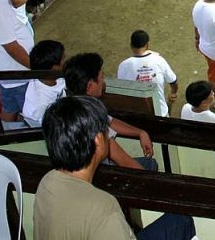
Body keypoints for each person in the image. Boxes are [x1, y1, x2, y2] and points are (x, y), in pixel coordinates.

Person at [34, 96, 196, 239]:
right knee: (181, 220)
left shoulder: (47, 181)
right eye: (106, 130)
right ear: (98, 140)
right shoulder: (103, 207)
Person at [64, 52, 159, 171]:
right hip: (102, 173)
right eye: (101, 77)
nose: (103, 82)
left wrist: (140, 132)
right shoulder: (91, 120)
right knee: (150, 165)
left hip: (85, 171)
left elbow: (110, 121)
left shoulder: (72, 107)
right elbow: (124, 162)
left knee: (149, 163)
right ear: (89, 86)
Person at [117, 30, 178, 117]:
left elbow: (121, 91)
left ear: (131, 45)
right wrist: (173, 93)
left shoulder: (123, 65)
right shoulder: (159, 60)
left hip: (137, 114)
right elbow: (173, 82)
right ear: (148, 45)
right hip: (160, 113)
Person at [21, 39, 66, 127]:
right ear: (53, 67)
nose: (65, 62)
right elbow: (49, 129)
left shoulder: (50, 76)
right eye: (63, 59)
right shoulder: (40, 105)